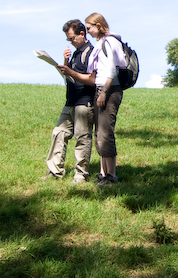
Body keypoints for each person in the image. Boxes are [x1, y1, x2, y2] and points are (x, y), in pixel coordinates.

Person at [59, 12, 124, 187]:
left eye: (89, 28)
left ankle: (111, 176)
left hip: (108, 90)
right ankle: (103, 173)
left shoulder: (108, 42)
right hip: (102, 90)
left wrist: (103, 91)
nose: (87, 32)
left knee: (104, 133)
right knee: (99, 134)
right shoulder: (101, 43)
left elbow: (110, 70)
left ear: (98, 25)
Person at [44, 19, 95, 183]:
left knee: (82, 138)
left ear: (82, 34)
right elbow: (69, 76)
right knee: (59, 133)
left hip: (84, 102)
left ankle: (81, 175)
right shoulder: (75, 53)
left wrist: (70, 72)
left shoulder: (91, 52)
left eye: (72, 38)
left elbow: (92, 79)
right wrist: (65, 63)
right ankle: (55, 171)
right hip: (70, 101)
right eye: (68, 39)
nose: (71, 42)